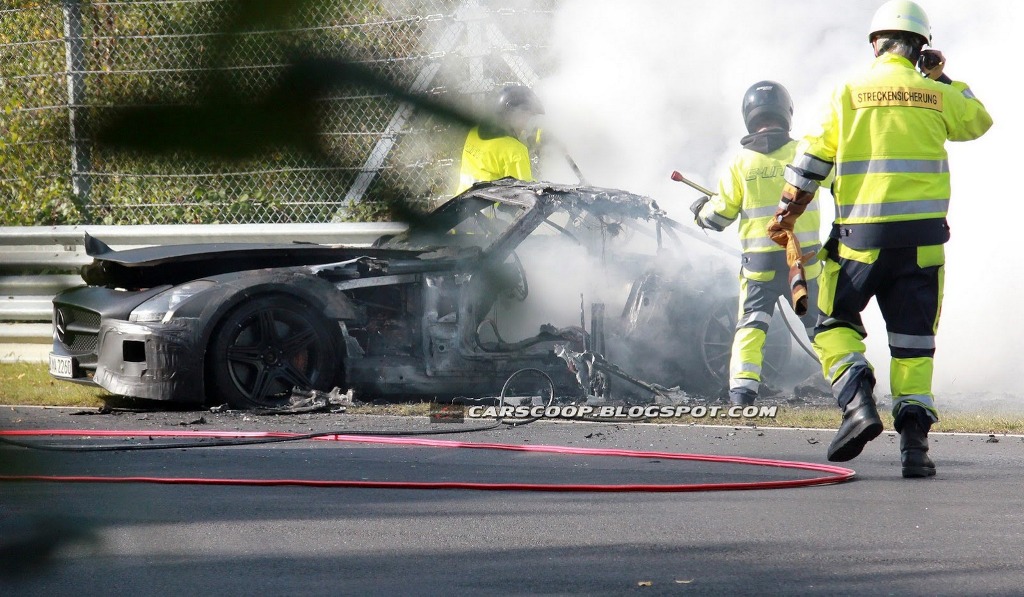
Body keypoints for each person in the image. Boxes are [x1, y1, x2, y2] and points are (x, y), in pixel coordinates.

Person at [767, 0, 992, 477]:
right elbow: (978, 121)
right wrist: (943, 79)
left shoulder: (848, 92)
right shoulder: (934, 91)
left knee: (832, 322)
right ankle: (915, 448)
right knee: (914, 345)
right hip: (924, 246)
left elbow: (810, 163)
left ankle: (857, 401)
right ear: (921, 48)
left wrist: (786, 211)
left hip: (859, 243)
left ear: (875, 43)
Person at [692, 80, 825, 408]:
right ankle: (850, 387)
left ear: (749, 116)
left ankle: (741, 394)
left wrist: (700, 211)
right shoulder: (804, 152)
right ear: (787, 113)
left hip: (759, 267)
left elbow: (719, 217)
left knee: (751, 326)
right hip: (803, 262)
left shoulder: (740, 163)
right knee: (822, 327)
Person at [455, 85, 544, 195]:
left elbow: (495, 155)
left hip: (460, 205)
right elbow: (526, 193)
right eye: (527, 116)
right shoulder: (515, 151)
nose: (528, 123)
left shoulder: (474, 133)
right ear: (512, 115)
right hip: (493, 211)